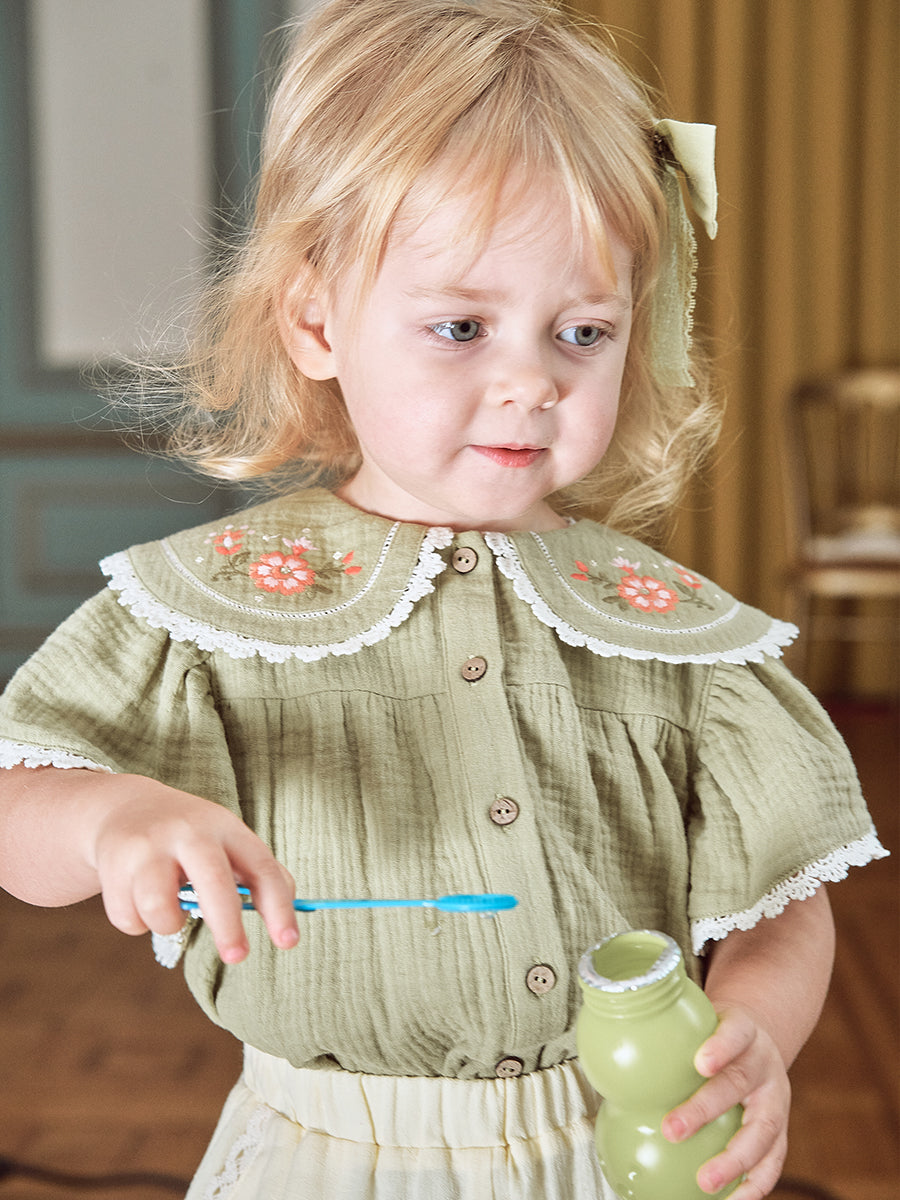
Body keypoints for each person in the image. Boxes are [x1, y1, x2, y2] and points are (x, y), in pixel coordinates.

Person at [0, 2, 887, 1198]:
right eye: (462, 326)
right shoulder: (209, 609)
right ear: (316, 320)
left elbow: (783, 902)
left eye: (583, 331)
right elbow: (19, 803)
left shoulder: (670, 632)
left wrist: (757, 1035)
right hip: (317, 1162)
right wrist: (112, 820)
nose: (531, 381)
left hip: (607, 1157)